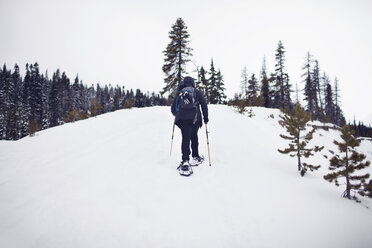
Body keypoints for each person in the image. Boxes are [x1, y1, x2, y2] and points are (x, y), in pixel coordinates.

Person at [171, 76, 208, 175]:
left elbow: (173, 108)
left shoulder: (180, 92)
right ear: (192, 83)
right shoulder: (196, 92)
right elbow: (204, 105)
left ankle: (185, 160)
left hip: (183, 119)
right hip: (195, 119)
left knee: (185, 138)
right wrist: (206, 118)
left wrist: (177, 114)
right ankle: (195, 156)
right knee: (194, 136)